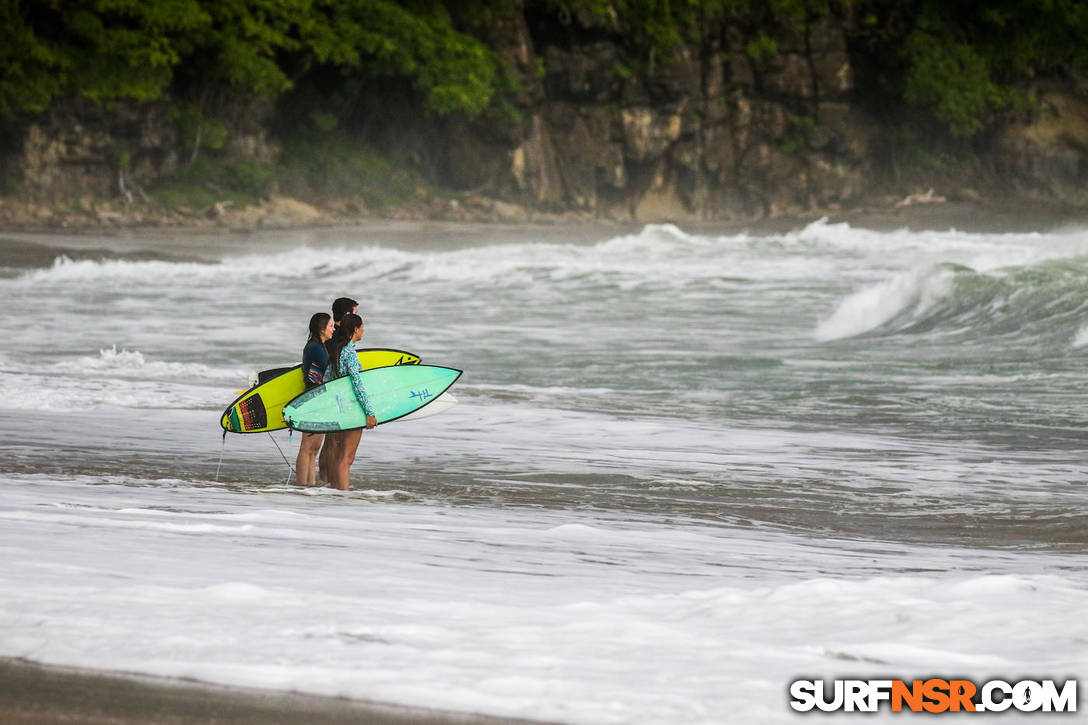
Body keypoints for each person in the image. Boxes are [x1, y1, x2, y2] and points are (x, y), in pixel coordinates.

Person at [324, 313, 377, 490]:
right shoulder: (350, 353)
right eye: (362, 327)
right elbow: (357, 384)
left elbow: (327, 380)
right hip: (352, 408)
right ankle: (343, 495)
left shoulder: (337, 350)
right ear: (356, 329)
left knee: (340, 454)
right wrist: (369, 413)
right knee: (347, 458)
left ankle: (334, 490)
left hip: (339, 407)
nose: (363, 330)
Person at [317, 297, 358, 483]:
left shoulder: (331, 336)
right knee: (334, 442)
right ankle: (332, 483)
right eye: (355, 313)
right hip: (338, 397)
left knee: (330, 442)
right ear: (348, 314)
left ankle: (325, 480)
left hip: (328, 394)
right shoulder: (339, 338)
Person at [293, 312, 334, 487]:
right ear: (322, 329)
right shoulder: (315, 348)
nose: (333, 329)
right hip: (312, 399)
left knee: (314, 448)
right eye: (331, 326)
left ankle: (309, 485)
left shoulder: (321, 346)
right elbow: (330, 369)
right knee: (307, 447)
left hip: (320, 399)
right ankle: (303, 485)